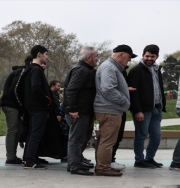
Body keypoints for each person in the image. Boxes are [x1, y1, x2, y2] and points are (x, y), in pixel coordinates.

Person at [93, 44, 135, 176]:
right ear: (121, 55)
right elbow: (108, 89)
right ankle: (103, 167)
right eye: (128, 57)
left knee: (105, 140)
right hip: (109, 110)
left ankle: (102, 165)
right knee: (108, 141)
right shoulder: (110, 68)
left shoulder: (111, 67)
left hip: (109, 109)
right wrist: (124, 100)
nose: (129, 61)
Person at [127, 44, 166, 169]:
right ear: (143, 55)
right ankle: (139, 160)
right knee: (141, 134)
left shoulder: (156, 69)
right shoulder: (136, 71)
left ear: (157, 57)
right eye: (147, 56)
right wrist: (137, 110)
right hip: (143, 110)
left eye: (152, 56)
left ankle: (150, 158)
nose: (149, 59)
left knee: (156, 136)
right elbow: (134, 93)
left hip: (156, 108)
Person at [63, 46, 98, 176]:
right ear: (89, 58)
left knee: (79, 138)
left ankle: (75, 162)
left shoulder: (84, 69)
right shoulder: (82, 70)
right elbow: (71, 90)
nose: (97, 58)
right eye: (96, 56)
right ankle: (74, 165)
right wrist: (73, 109)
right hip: (78, 111)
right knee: (76, 139)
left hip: (82, 110)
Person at [20, 45, 52, 169]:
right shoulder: (36, 70)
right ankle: (29, 160)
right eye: (46, 54)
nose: (47, 57)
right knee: (36, 133)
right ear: (39, 54)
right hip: (38, 108)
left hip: (31, 107)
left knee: (32, 133)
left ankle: (27, 158)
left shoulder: (29, 69)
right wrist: (47, 99)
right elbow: (36, 88)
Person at [1, 56, 31, 165]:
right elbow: (14, 90)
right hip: (11, 105)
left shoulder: (24, 71)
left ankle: (12, 156)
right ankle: (10, 157)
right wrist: (21, 106)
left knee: (18, 130)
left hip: (15, 105)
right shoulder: (22, 71)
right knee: (12, 130)